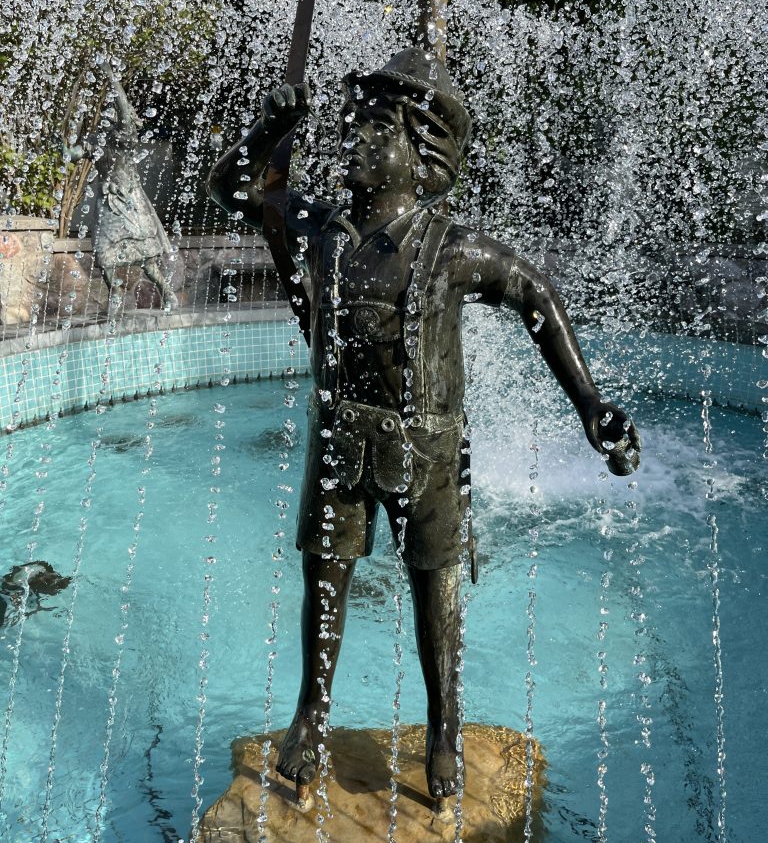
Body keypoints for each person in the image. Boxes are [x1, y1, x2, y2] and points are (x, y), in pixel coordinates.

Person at [208, 48, 641, 801]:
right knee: (325, 575)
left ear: (421, 152)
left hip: (428, 444)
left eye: (376, 130)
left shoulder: (453, 249)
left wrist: (591, 406)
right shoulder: (320, 229)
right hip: (342, 434)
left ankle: (444, 727)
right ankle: (311, 714)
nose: (355, 141)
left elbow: (537, 298)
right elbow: (233, 189)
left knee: (434, 586)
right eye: (355, 126)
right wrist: (268, 128)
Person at [75, 65, 178, 310]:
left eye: (112, 114)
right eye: (105, 115)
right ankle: (116, 295)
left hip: (130, 200)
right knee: (102, 252)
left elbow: (124, 112)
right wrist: (64, 143)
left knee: (146, 258)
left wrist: (111, 77)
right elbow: (73, 153)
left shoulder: (125, 138)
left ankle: (168, 294)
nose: (107, 117)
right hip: (107, 201)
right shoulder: (96, 141)